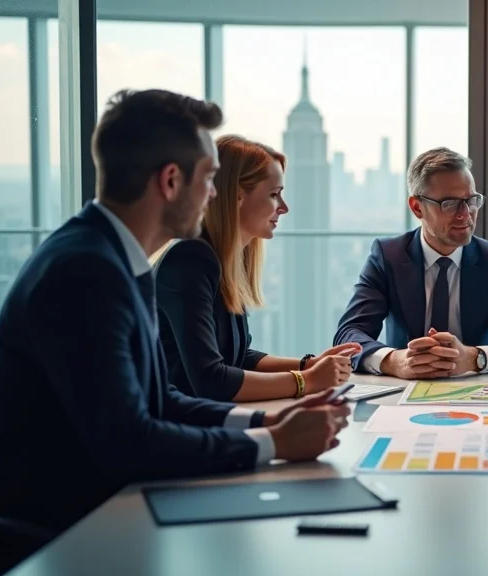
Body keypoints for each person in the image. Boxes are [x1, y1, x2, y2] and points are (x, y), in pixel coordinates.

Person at [0, 89, 350, 536]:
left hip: (110, 506)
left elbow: (161, 402)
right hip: (67, 530)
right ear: (171, 181)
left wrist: (267, 421)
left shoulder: (117, 259)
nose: (215, 194)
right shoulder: (85, 273)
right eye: (211, 178)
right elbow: (129, 442)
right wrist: (272, 443)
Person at [153, 134, 360, 402]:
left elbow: (239, 358)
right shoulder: (189, 261)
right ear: (236, 196)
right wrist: (306, 381)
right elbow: (211, 380)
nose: (283, 208)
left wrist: (308, 365)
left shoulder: (221, 259)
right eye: (274, 195)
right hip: (177, 430)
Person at [334, 147, 488, 378]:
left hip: (477, 392)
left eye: (471, 201)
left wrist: (475, 358)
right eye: (450, 204)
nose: (465, 214)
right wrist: (394, 361)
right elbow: (349, 334)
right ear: (417, 207)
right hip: (402, 392)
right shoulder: (388, 256)